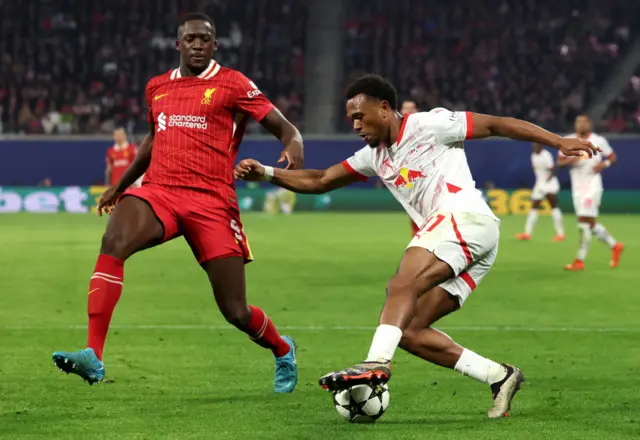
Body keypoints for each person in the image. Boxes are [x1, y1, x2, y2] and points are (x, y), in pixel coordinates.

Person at [234, 74, 599, 417]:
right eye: (351, 120)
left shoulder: (430, 124)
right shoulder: (373, 156)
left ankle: (376, 362)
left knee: (401, 284)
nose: (356, 126)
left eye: (360, 117)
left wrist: (559, 141)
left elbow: (496, 124)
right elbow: (320, 179)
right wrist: (267, 173)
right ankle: (498, 376)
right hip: (471, 239)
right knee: (408, 330)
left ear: (384, 108)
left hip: (463, 217)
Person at [52, 13, 303, 393]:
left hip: (212, 202)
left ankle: (283, 349)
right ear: (178, 45)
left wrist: (294, 145)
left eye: (205, 39)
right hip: (161, 191)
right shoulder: (157, 87)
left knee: (235, 311)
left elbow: (284, 126)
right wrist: (120, 187)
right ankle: (94, 354)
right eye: (191, 39)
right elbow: (152, 142)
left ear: (215, 45)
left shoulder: (233, 83)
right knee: (114, 240)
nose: (198, 45)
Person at [559, 115, 624, 271]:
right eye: (578, 122)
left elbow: (612, 157)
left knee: (583, 222)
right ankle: (615, 246)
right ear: (575, 125)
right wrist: (572, 159)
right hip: (577, 188)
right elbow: (560, 163)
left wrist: (604, 164)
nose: (581, 125)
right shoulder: (568, 140)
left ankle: (579, 260)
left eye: (584, 122)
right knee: (590, 223)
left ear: (589, 125)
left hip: (593, 186)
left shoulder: (598, 140)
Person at [515, 143, 565, 241]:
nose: (534, 148)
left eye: (536, 146)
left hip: (550, 183)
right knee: (534, 207)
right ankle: (527, 233)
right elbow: (536, 170)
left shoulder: (546, 156)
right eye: (533, 147)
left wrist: (548, 179)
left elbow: (553, 169)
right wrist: (541, 182)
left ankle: (561, 234)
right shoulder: (533, 155)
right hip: (540, 184)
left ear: (541, 147)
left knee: (554, 206)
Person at [400, 99, 421, 236]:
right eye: (405, 108)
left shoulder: (423, 127)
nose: (407, 111)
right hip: (406, 173)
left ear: (416, 111)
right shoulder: (395, 129)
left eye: (411, 108)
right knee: (414, 212)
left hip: (425, 172)